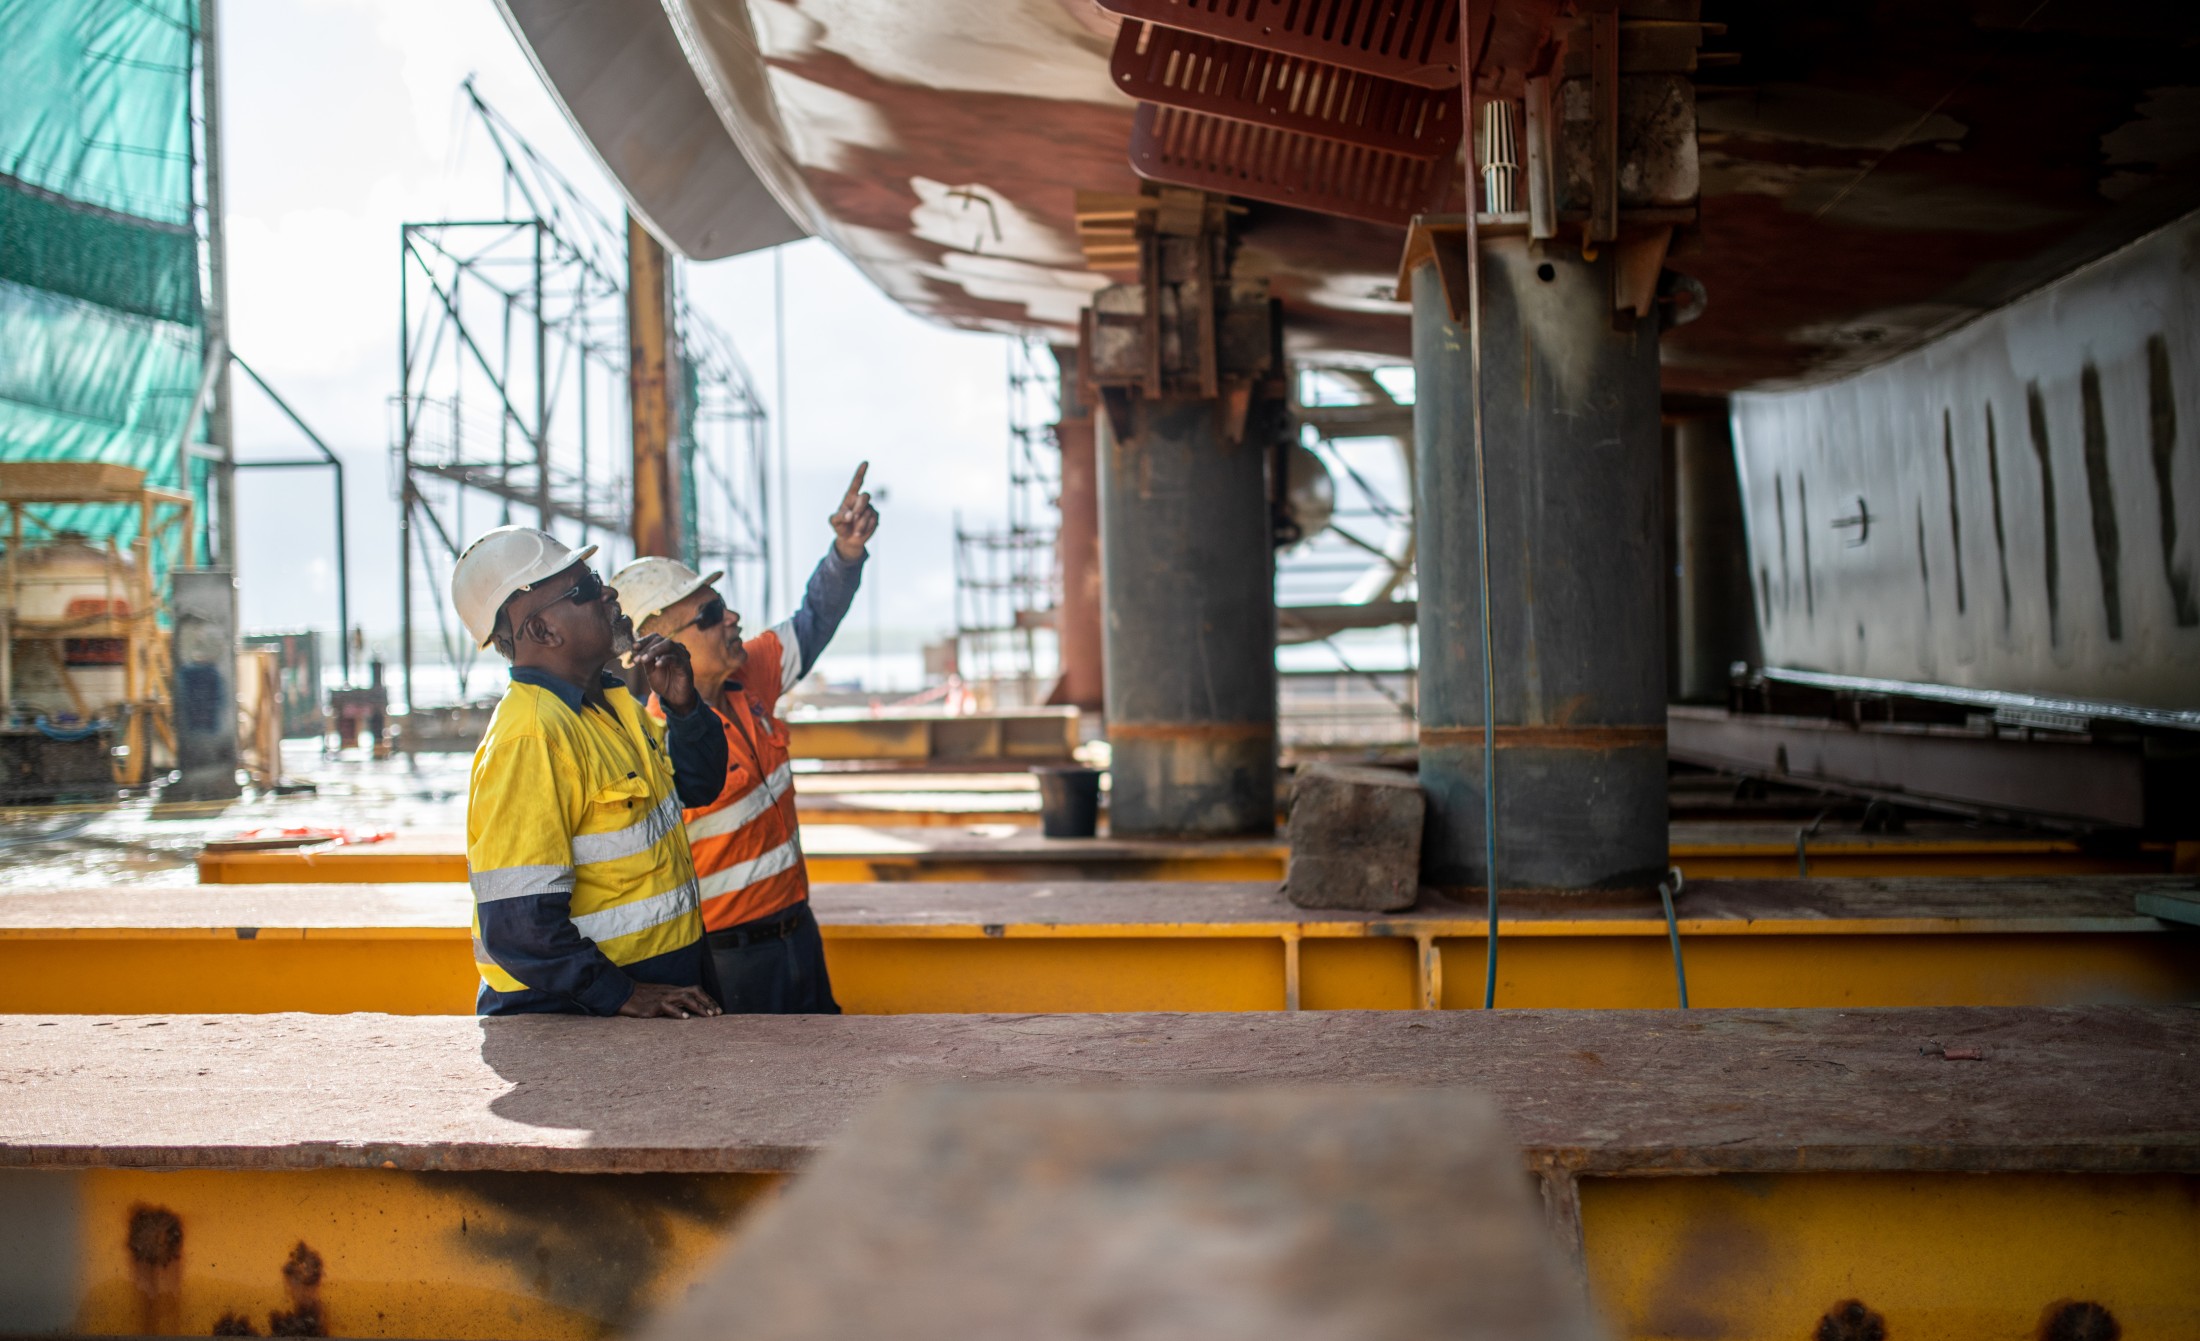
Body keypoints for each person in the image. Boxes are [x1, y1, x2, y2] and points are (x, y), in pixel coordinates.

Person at [609, 463, 879, 1012]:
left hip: (798, 933)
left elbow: (813, 621)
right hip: (730, 961)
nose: (731, 616)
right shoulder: (648, 744)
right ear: (659, 646)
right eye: (709, 613)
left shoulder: (748, 675)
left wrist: (845, 553)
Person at [450, 525, 728, 1019]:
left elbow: (700, 787)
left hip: (658, 992)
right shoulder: (530, 738)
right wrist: (621, 994)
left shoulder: (612, 703)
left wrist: (684, 709)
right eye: (585, 589)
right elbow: (519, 926)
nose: (609, 591)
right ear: (541, 631)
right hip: (579, 1022)